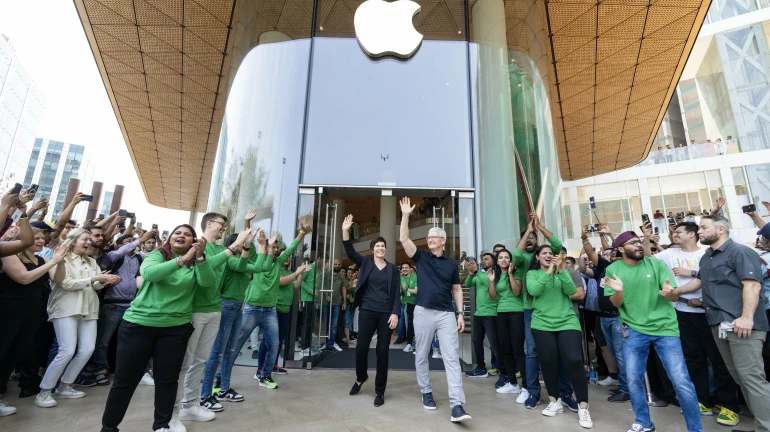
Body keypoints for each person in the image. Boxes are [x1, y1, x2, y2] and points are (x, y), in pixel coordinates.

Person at [100, 224, 213, 432]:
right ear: (170, 238)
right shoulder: (157, 255)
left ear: (194, 242)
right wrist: (182, 259)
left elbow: (207, 282)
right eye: (177, 233)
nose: (182, 236)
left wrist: (199, 257)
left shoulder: (197, 262)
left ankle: (161, 426)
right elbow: (150, 274)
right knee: (125, 381)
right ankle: (109, 428)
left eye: (188, 235)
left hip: (175, 329)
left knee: (167, 381)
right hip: (139, 326)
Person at [673, 215, 770, 432]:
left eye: (703, 227)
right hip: (720, 325)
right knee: (740, 378)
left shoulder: (740, 252)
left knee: (752, 379)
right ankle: (761, 425)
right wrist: (675, 292)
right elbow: (698, 282)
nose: (699, 231)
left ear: (721, 230)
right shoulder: (707, 256)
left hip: (743, 326)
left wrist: (746, 318)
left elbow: (752, 286)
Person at [603, 231, 702, 432]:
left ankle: (695, 429)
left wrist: (671, 293)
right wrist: (619, 291)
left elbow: (673, 297)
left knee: (681, 380)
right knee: (633, 379)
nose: (639, 245)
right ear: (621, 249)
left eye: (639, 241)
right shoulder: (613, 269)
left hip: (665, 329)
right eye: (633, 243)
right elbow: (616, 303)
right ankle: (643, 422)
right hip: (633, 330)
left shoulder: (655, 264)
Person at [655, 221, 740, 425]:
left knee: (719, 360)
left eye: (678, 232)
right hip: (683, 313)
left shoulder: (707, 254)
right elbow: (648, 259)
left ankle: (729, 406)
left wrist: (699, 297)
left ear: (692, 234)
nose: (674, 235)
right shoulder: (669, 254)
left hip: (708, 314)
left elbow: (712, 282)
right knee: (693, 359)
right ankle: (702, 401)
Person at [175, 214, 253, 426]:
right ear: (209, 224)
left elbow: (240, 266)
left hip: (215, 309)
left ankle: (191, 405)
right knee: (186, 362)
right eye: (221, 225)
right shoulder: (196, 245)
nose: (224, 228)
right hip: (194, 310)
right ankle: (176, 409)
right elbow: (206, 266)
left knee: (201, 359)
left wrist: (245, 246)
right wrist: (234, 245)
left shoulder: (221, 249)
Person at [399, 198, 471, 422]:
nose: (429, 240)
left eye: (433, 237)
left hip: (446, 314)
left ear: (443, 240)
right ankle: (426, 391)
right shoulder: (421, 257)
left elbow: (457, 289)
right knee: (422, 354)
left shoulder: (451, 263)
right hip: (422, 311)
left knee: (451, 358)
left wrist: (460, 314)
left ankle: (457, 405)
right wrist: (405, 215)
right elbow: (404, 239)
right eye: (428, 237)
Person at [35, 228, 122, 409]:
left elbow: (95, 286)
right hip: (66, 308)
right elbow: (65, 284)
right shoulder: (61, 258)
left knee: (88, 349)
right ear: (74, 241)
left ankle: (64, 386)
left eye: (90, 239)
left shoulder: (91, 261)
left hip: (89, 308)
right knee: (66, 350)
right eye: (85, 239)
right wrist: (93, 279)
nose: (89, 242)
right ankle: (44, 391)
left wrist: (105, 281)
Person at [224, 218, 309, 392]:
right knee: (236, 344)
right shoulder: (256, 259)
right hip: (252, 308)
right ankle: (220, 378)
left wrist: (302, 233)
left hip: (270, 311)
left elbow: (292, 247)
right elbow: (248, 242)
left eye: (277, 247)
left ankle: (265, 375)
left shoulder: (279, 262)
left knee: (275, 344)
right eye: (272, 246)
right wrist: (247, 222)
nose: (275, 249)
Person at [0, 227, 66, 416]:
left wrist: (60, 262)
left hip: (32, 312)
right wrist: (52, 262)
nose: (41, 241)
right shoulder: (10, 256)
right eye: (36, 238)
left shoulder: (42, 259)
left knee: (13, 354)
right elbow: (23, 278)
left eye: (42, 238)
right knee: (2, 351)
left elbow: (58, 278)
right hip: (8, 310)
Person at [515, 213, 577, 410]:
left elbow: (556, 244)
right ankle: (533, 392)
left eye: (533, 238)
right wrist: (528, 231)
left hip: (559, 315)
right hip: (532, 312)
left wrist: (539, 226)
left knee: (560, 354)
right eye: (528, 238)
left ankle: (565, 393)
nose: (548, 255)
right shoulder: (525, 260)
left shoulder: (554, 261)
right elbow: (516, 254)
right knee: (533, 353)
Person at [526, 245, 592, 428]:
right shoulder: (532, 274)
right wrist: (548, 272)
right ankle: (554, 401)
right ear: (537, 257)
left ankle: (583, 407)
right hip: (542, 323)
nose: (548, 255)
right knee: (548, 362)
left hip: (567, 321)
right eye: (544, 253)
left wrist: (561, 270)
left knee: (573, 360)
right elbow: (534, 291)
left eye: (551, 253)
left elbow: (571, 291)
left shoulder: (563, 272)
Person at [342, 214, 400, 407]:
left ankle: (379, 391)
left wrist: (395, 313)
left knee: (383, 352)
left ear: (385, 249)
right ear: (372, 249)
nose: (380, 248)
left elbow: (396, 293)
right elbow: (350, 252)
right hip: (367, 311)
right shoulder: (366, 263)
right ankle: (361, 377)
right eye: (377, 246)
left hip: (386, 314)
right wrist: (345, 231)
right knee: (361, 349)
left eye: (383, 246)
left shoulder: (392, 269)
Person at [490, 249, 528, 400]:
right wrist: (491, 281)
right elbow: (492, 296)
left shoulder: (516, 272)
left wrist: (511, 274)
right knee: (505, 349)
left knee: (518, 349)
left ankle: (526, 386)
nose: (504, 260)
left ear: (510, 260)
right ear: (497, 261)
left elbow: (517, 292)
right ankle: (512, 383)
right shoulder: (496, 275)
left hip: (517, 312)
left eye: (507, 257)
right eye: (501, 257)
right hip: (501, 313)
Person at [463, 253, 499, 378]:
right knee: (477, 341)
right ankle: (481, 368)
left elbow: (488, 282)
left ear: (493, 261)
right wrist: (470, 273)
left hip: (491, 314)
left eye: (486, 259)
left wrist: (476, 271)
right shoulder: (480, 274)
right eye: (482, 259)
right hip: (478, 313)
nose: (483, 261)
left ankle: (505, 371)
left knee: (494, 344)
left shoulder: (495, 274)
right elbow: (468, 284)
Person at [401, 262, 418, 353]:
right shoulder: (400, 278)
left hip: (417, 303)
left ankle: (418, 344)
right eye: (403, 268)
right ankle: (409, 344)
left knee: (418, 324)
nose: (404, 269)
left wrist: (407, 289)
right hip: (407, 304)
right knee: (409, 324)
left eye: (406, 267)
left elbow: (417, 291)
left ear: (410, 269)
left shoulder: (415, 277)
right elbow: (400, 292)